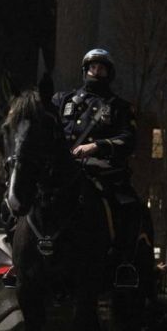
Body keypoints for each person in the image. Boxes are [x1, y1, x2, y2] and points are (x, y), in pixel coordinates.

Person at [52, 48, 150, 287]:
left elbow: (128, 139)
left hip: (102, 169)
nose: (97, 71)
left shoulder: (120, 107)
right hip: (63, 167)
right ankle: (17, 257)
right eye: (93, 67)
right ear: (85, 70)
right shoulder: (62, 99)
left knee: (131, 207)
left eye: (102, 67)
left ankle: (124, 263)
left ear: (109, 72)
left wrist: (96, 146)